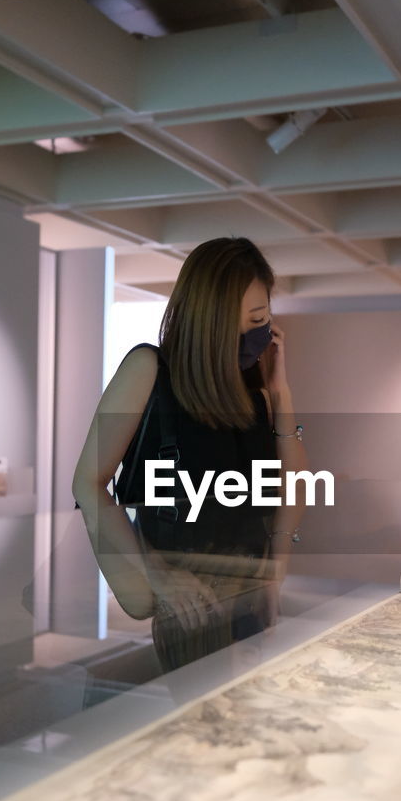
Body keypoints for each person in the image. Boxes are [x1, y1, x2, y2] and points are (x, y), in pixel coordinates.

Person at [72, 236, 307, 672]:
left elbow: (294, 488)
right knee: (200, 718)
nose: (254, 335)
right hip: (187, 601)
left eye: (262, 318)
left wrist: (281, 392)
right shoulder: (149, 370)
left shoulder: (255, 393)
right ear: (208, 322)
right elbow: (87, 482)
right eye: (242, 321)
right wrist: (155, 573)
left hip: (250, 593)